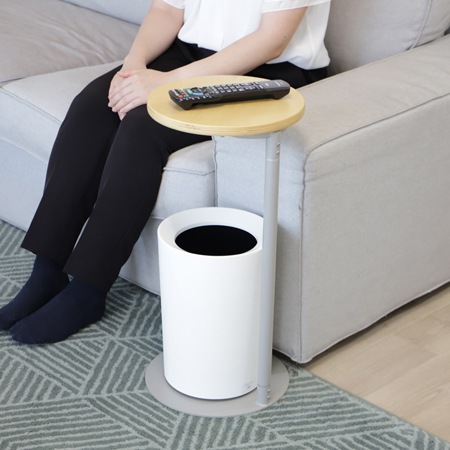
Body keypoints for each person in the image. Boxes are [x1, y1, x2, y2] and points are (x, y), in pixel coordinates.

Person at [0, 0, 331, 344]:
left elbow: (271, 40)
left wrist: (169, 82)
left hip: (267, 74)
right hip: (190, 55)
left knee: (142, 128)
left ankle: (88, 290)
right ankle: (47, 270)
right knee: (92, 108)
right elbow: (166, 9)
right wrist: (132, 68)